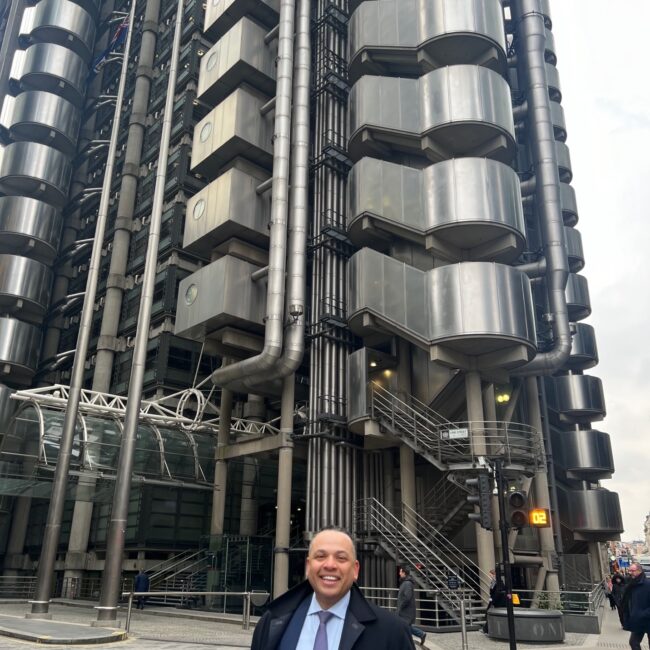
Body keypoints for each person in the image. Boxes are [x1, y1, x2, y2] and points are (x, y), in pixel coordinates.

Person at [250, 527, 415, 650]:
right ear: (308, 566)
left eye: (341, 558)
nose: (330, 565)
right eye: (320, 556)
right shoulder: (271, 622)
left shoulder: (392, 632)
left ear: (355, 570)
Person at [621, 563, 650, 650]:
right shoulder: (632, 584)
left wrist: (644, 614)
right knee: (633, 642)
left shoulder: (647, 584)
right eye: (630, 570)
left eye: (633, 571)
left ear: (639, 571)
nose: (630, 572)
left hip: (647, 618)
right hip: (638, 620)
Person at [397, 567, 427, 646]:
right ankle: (421, 634)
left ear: (404, 573)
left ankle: (406, 642)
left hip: (406, 611)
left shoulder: (407, 583)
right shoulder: (405, 583)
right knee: (406, 627)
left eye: (400, 572)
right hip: (405, 611)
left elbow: (407, 597)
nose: (399, 573)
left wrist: (401, 606)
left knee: (403, 626)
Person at [482, 568, 507, 633]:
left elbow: (497, 593)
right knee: (488, 613)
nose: (490, 576)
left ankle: (486, 629)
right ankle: (486, 629)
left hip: (498, 602)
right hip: (494, 600)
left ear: (494, 574)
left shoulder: (499, 582)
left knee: (490, 613)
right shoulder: (493, 582)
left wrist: (492, 601)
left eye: (491, 575)